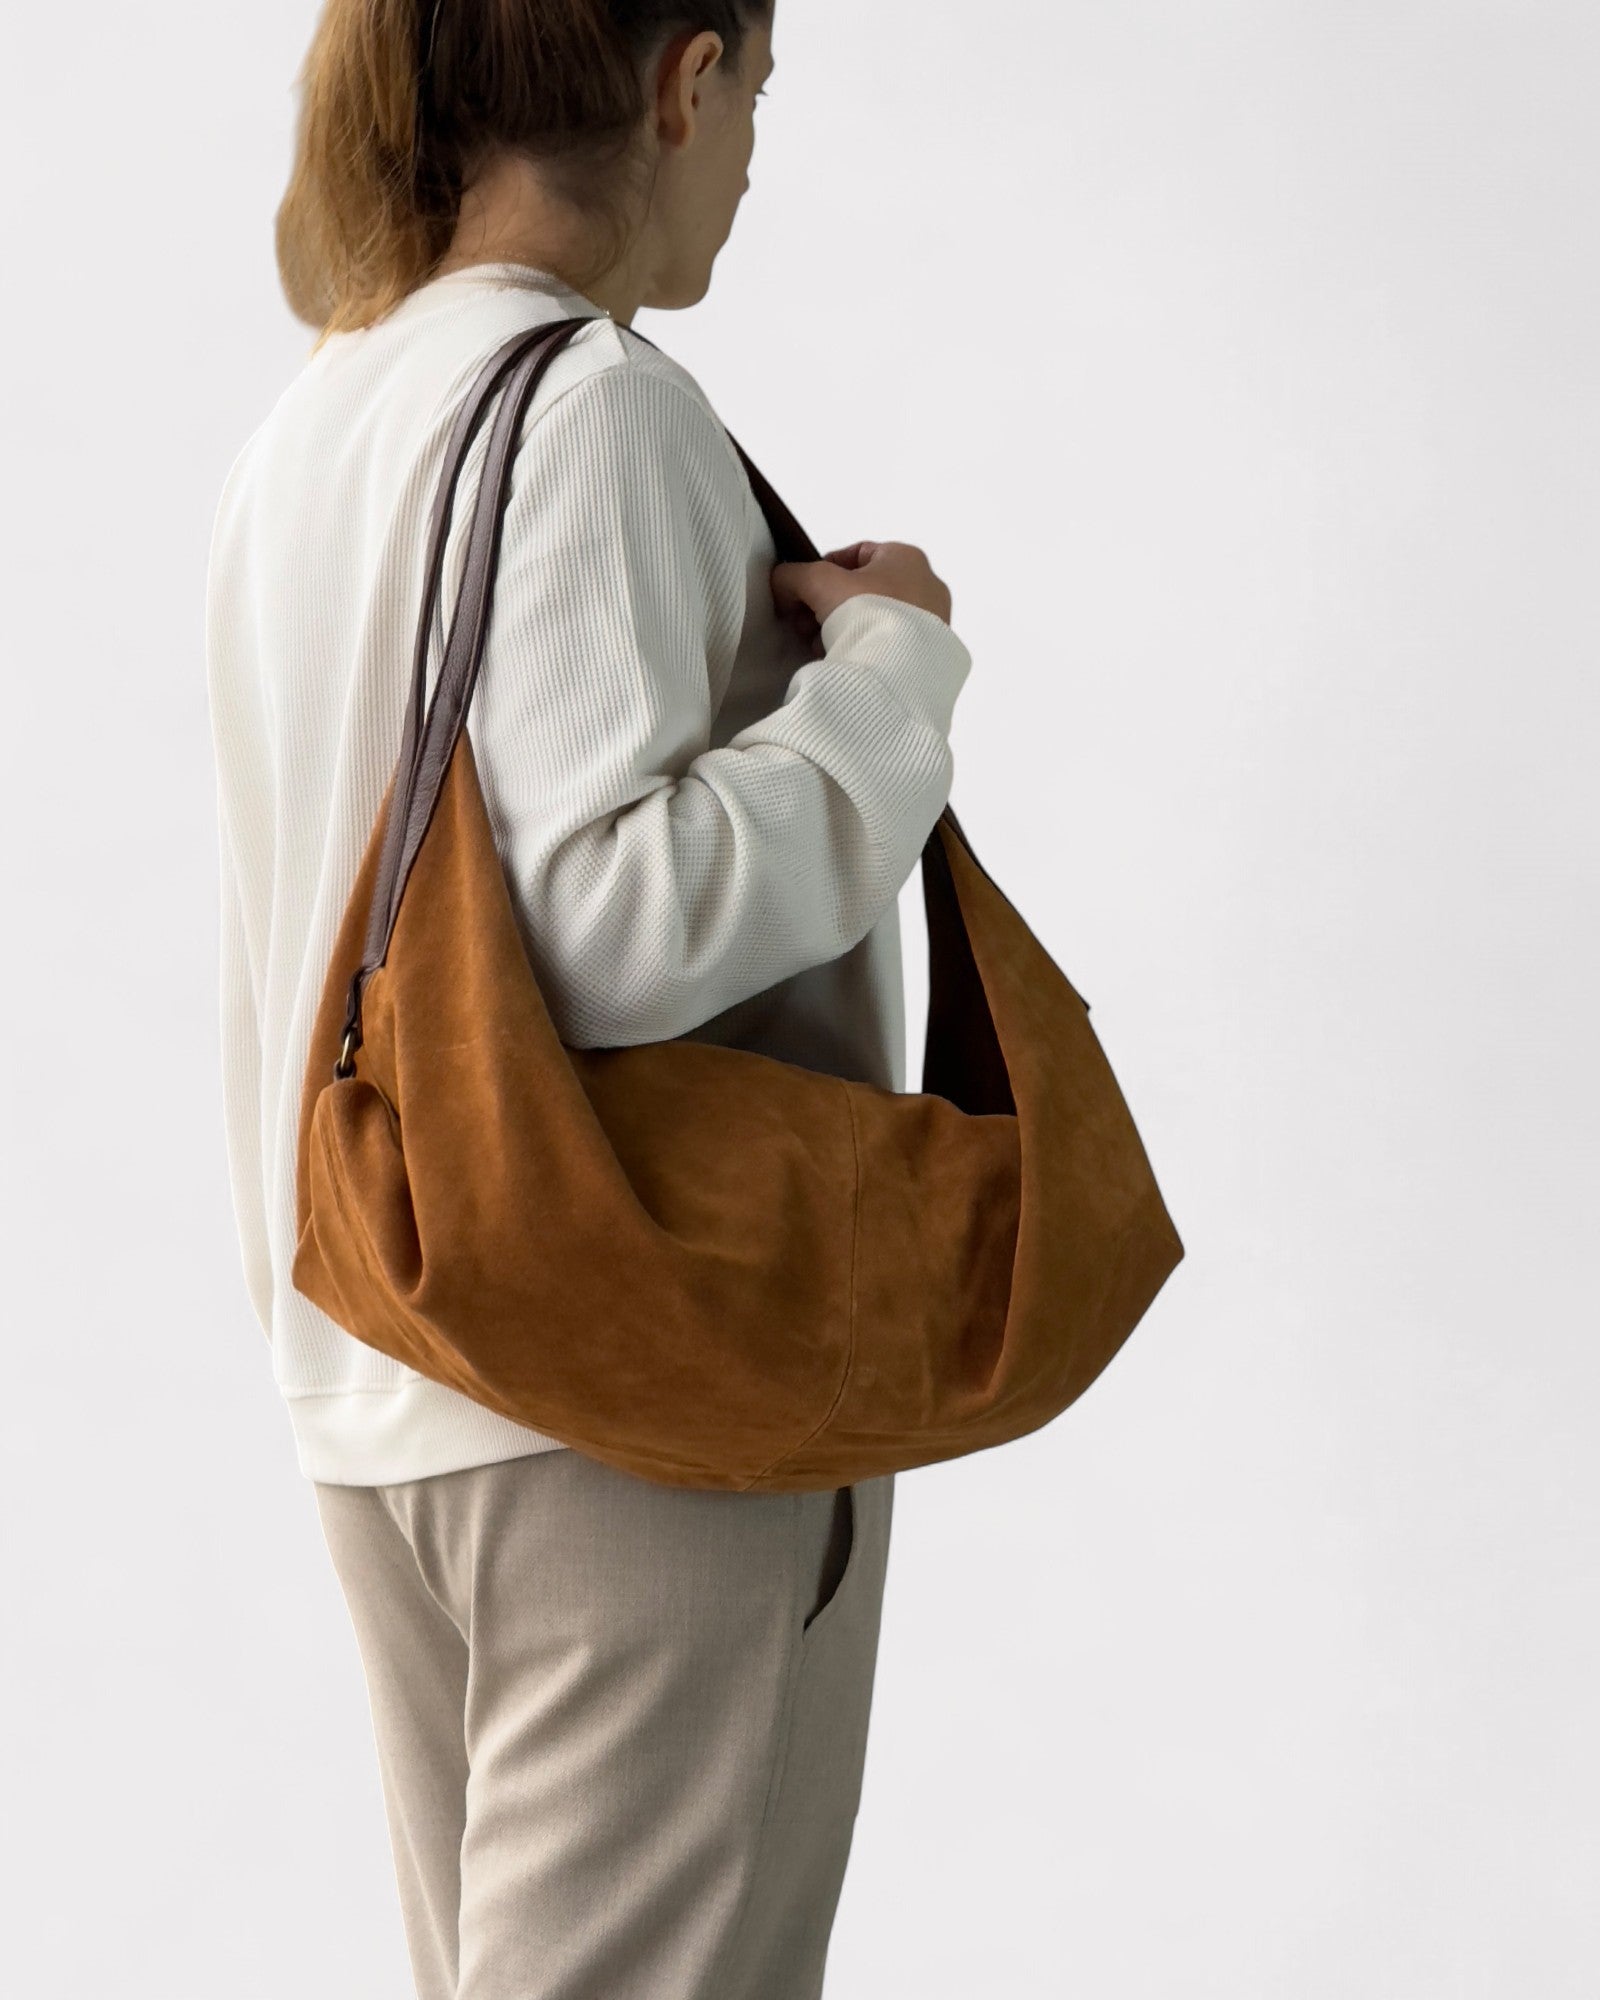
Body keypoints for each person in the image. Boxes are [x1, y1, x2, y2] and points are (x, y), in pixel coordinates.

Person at [204, 2, 973, 1994]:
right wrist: (888, 678)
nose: (745, 155)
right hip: (626, 1383)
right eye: (755, 99)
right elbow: (607, 929)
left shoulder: (320, 419)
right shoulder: (594, 405)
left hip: (389, 1356)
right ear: (680, 78)